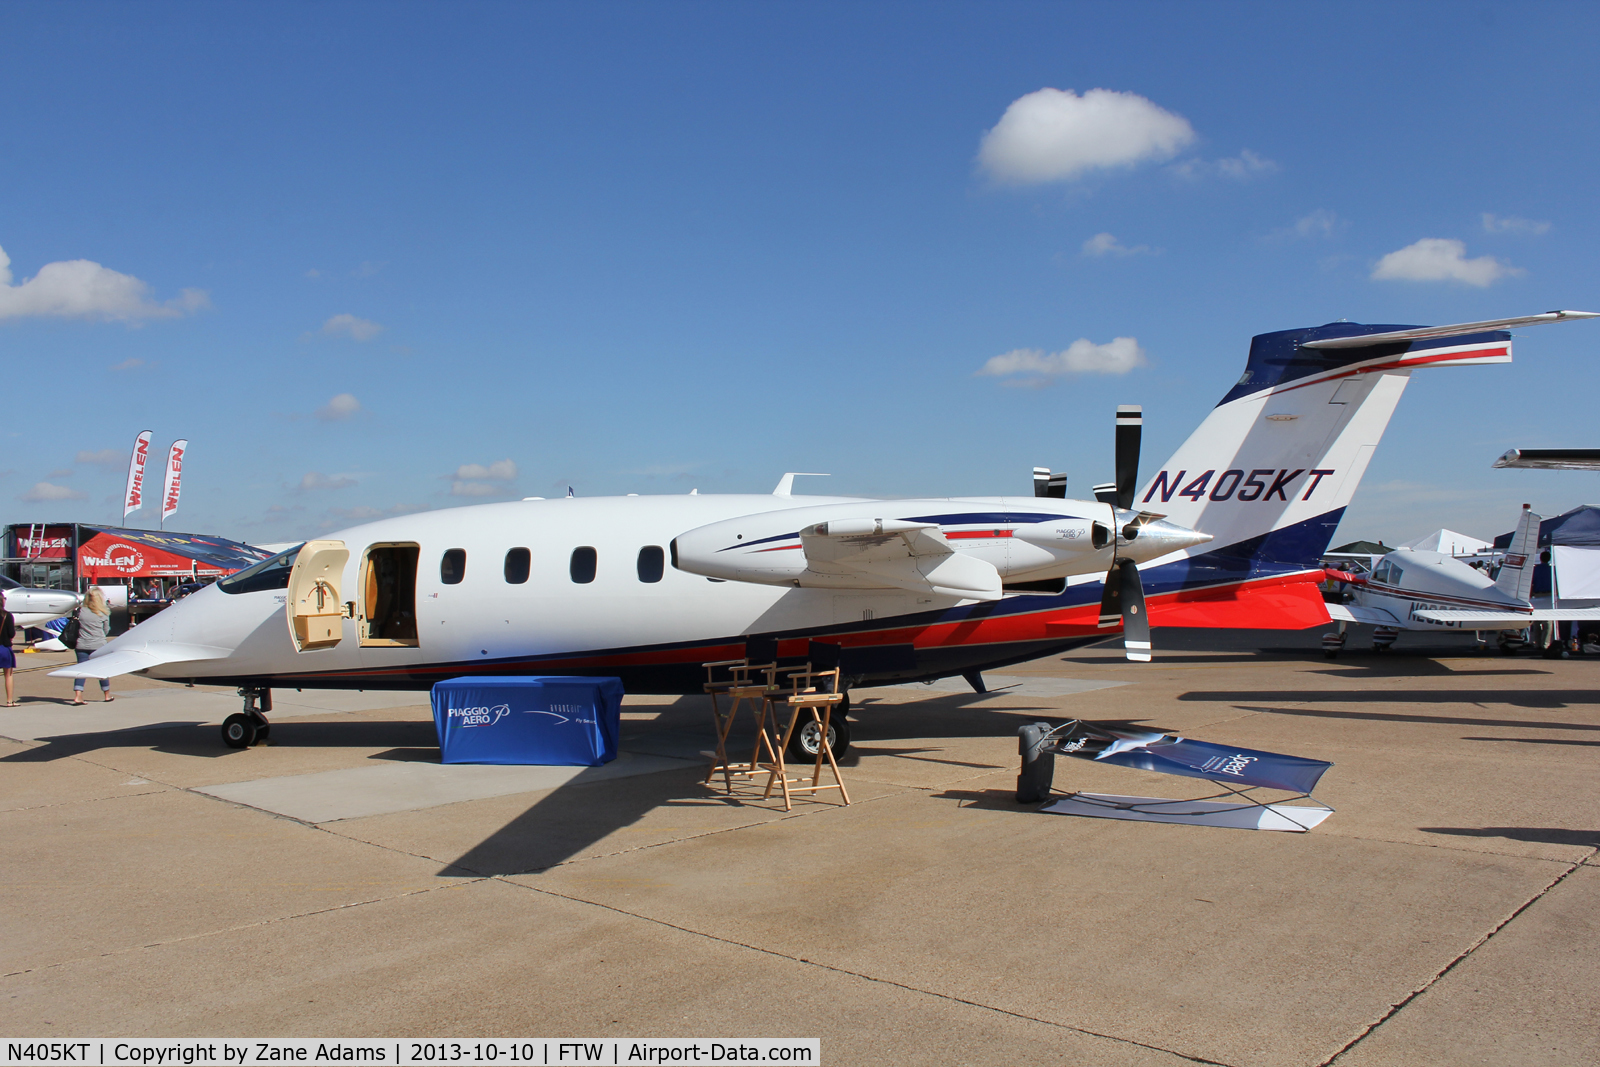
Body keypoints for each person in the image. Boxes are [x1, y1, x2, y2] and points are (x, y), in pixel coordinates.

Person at [72, 587, 114, 704]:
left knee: (80, 670)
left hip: (82, 644)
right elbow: (106, 630)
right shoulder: (103, 613)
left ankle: (78, 695)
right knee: (102, 670)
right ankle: (106, 694)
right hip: (98, 645)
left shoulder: (81, 611)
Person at [0, 591, 16, 707]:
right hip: (4, 647)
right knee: (8, 675)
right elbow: (11, 633)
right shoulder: (7, 616)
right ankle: (9, 700)